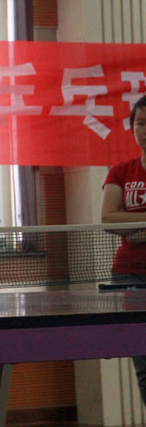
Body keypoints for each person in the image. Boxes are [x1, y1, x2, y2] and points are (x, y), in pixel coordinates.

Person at [100, 93, 146, 407]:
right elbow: (107, 219)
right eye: (140, 123)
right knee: (143, 361)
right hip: (129, 276)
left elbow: (120, 220)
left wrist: (133, 225)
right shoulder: (120, 171)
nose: (145, 130)